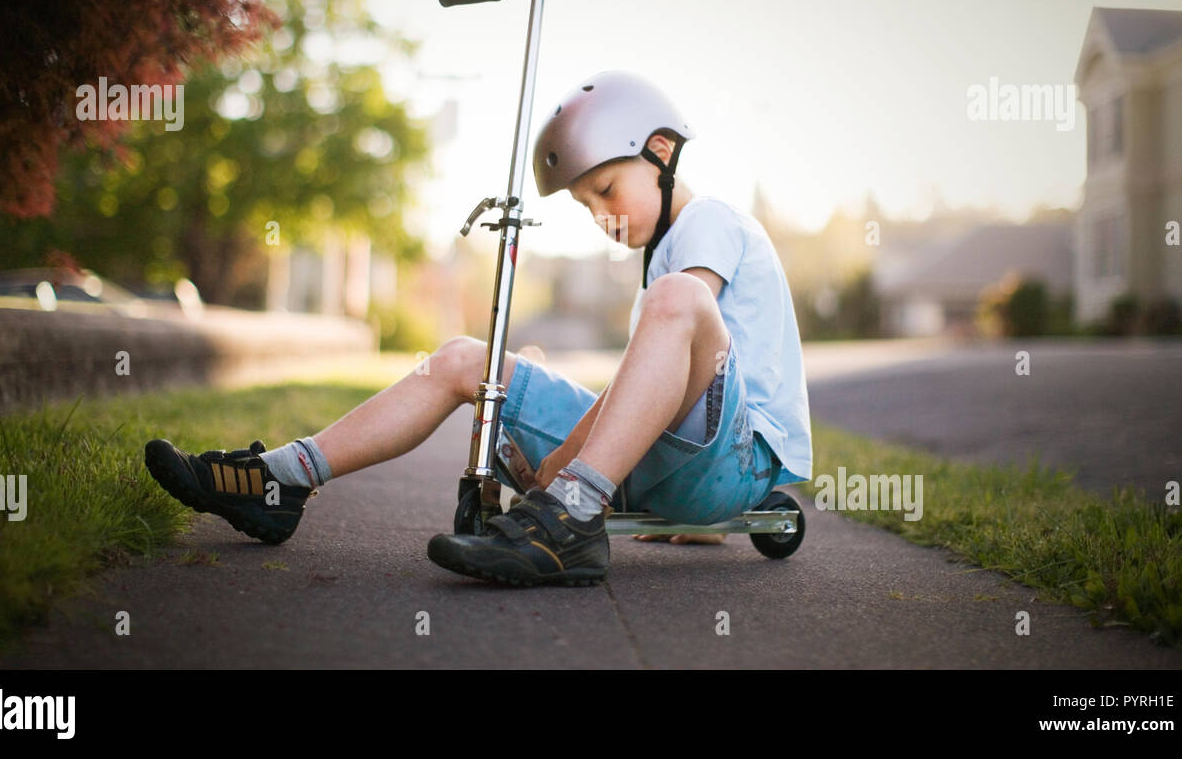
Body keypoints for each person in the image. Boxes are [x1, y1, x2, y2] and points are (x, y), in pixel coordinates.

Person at [144, 69, 812, 587]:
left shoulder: (710, 223)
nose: (599, 215)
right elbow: (660, 388)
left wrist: (562, 463)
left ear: (661, 153)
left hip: (739, 462)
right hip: (667, 467)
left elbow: (694, 346)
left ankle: (569, 518)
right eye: (584, 206)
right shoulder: (660, 260)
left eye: (605, 190)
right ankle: (282, 478)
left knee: (676, 300)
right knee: (468, 358)